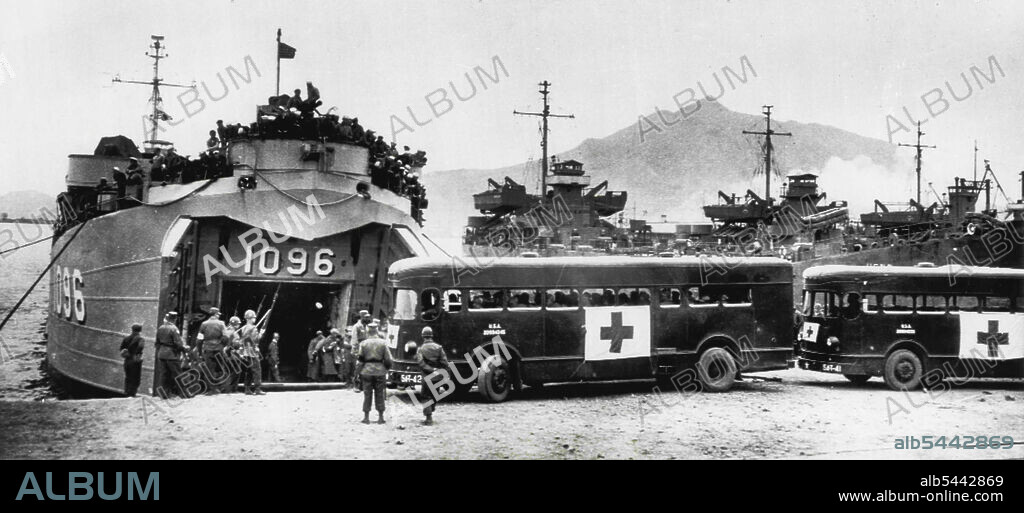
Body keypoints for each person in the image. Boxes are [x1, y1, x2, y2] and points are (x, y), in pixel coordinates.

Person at [356, 320, 392, 424]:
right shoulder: (383, 343)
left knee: (367, 394)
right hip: (380, 371)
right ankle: (380, 417)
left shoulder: (363, 344)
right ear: (377, 331)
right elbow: (388, 359)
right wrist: (386, 368)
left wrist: (357, 373)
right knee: (379, 393)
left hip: (366, 371)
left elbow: (360, 360)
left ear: (368, 332)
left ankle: (366, 417)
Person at [415, 327, 449, 425]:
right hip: (438, 376)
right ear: (431, 335)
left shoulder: (420, 349)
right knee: (435, 395)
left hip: (427, 377)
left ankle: (428, 418)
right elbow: (445, 363)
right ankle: (431, 409)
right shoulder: (439, 348)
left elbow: (421, 363)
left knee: (426, 396)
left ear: (423, 336)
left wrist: (430, 369)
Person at [153, 312, 188, 398]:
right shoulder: (174, 329)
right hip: (171, 355)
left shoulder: (160, 328)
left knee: (164, 375)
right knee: (178, 374)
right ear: (175, 319)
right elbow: (178, 343)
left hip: (161, 354)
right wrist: (184, 349)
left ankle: (164, 394)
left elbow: (157, 343)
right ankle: (183, 394)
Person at [197, 307, 229, 393]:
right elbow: (226, 337)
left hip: (207, 349)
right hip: (219, 349)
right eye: (218, 314)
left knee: (209, 369)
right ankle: (222, 388)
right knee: (220, 368)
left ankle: (212, 389)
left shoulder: (204, 324)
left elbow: (199, 340)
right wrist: (222, 345)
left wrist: (200, 352)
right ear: (216, 314)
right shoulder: (221, 324)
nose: (219, 315)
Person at [237, 310, 265, 395]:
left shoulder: (244, 328)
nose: (255, 319)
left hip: (246, 352)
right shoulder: (253, 328)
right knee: (257, 370)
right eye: (253, 317)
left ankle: (247, 389)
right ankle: (257, 389)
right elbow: (255, 339)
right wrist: (261, 334)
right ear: (249, 318)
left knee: (249, 370)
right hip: (252, 352)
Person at [119, 323, 145, 397]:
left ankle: (127, 393)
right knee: (136, 378)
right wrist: (137, 354)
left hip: (127, 361)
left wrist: (127, 353)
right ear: (140, 330)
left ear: (132, 329)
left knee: (128, 377)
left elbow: (121, 348)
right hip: (135, 361)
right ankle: (132, 394)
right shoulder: (140, 339)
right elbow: (140, 347)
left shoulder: (126, 338)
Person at [222, 316, 243, 393]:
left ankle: (226, 388)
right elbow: (236, 345)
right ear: (235, 324)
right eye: (238, 324)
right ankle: (232, 389)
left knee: (227, 371)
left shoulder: (226, 331)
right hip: (231, 354)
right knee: (236, 371)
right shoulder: (234, 333)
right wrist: (240, 343)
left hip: (224, 354)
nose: (239, 325)